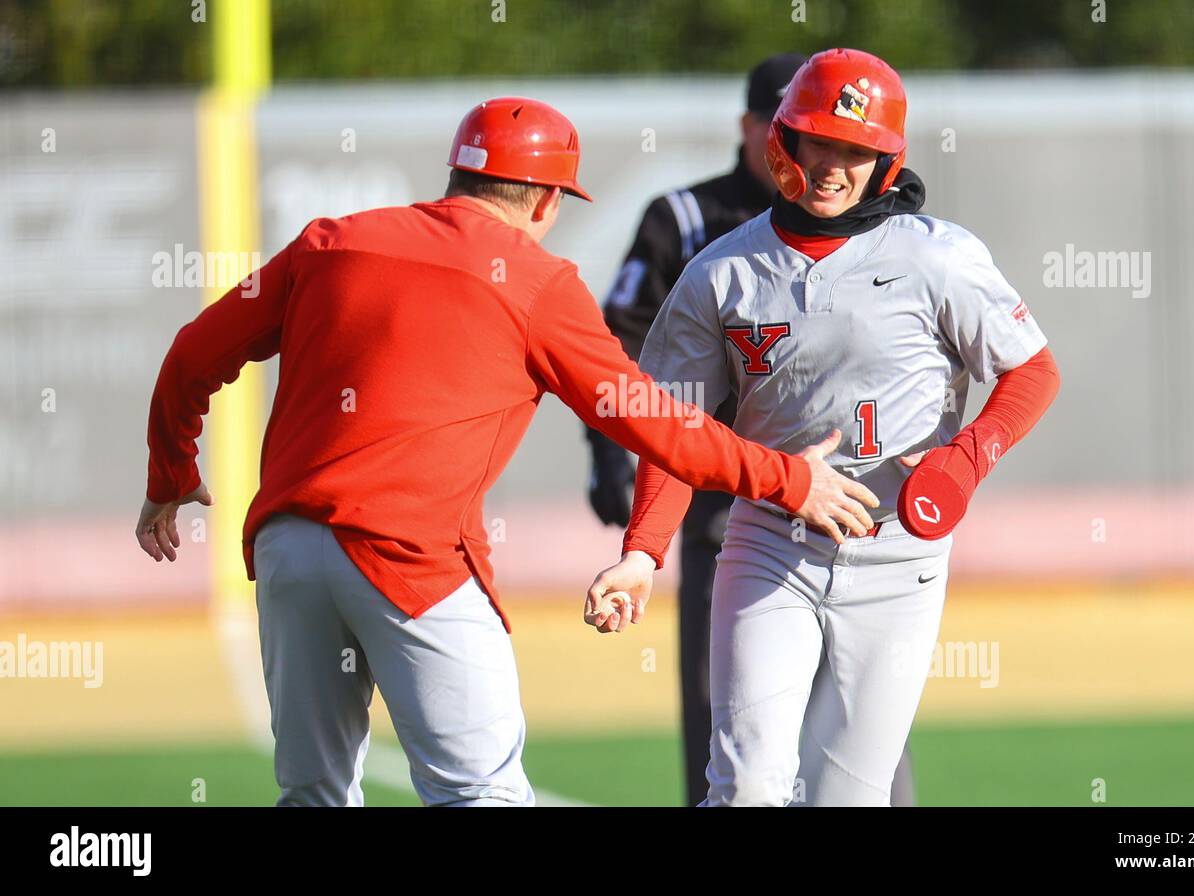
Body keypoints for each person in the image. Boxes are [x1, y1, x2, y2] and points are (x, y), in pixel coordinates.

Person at [135, 96, 877, 807]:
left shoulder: (332, 240)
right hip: (411, 563)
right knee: (480, 796)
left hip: (287, 552)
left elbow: (190, 355)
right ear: (548, 202)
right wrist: (790, 479)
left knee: (313, 794)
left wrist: (172, 471)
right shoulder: (535, 281)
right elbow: (657, 421)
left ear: (456, 175)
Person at [584, 50, 1061, 806]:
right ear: (784, 143)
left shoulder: (938, 257)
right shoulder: (720, 270)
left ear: (885, 160)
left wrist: (965, 462)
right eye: (820, 143)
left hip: (900, 553)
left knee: (848, 795)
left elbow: (1032, 371)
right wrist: (642, 553)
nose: (835, 166)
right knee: (743, 787)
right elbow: (672, 423)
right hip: (768, 540)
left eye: (857, 150)